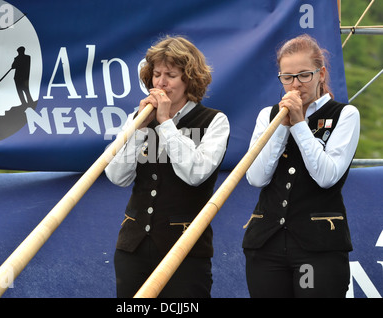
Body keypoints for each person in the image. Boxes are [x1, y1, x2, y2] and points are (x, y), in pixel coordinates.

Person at [105, 35, 230, 298]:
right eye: (157, 74)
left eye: (170, 75)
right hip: (133, 248)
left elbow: (195, 174)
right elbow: (116, 176)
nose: (161, 83)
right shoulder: (137, 118)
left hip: (185, 250)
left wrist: (165, 124)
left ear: (189, 79)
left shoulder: (214, 121)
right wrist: (138, 129)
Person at [242, 34, 360, 298]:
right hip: (266, 243)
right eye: (287, 77)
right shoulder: (268, 115)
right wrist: (283, 126)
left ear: (321, 73)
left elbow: (327, 176)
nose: (295, 84)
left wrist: (298, 124)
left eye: (304, 75)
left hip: (318, 246)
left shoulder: (345, 114)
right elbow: (256, 177)